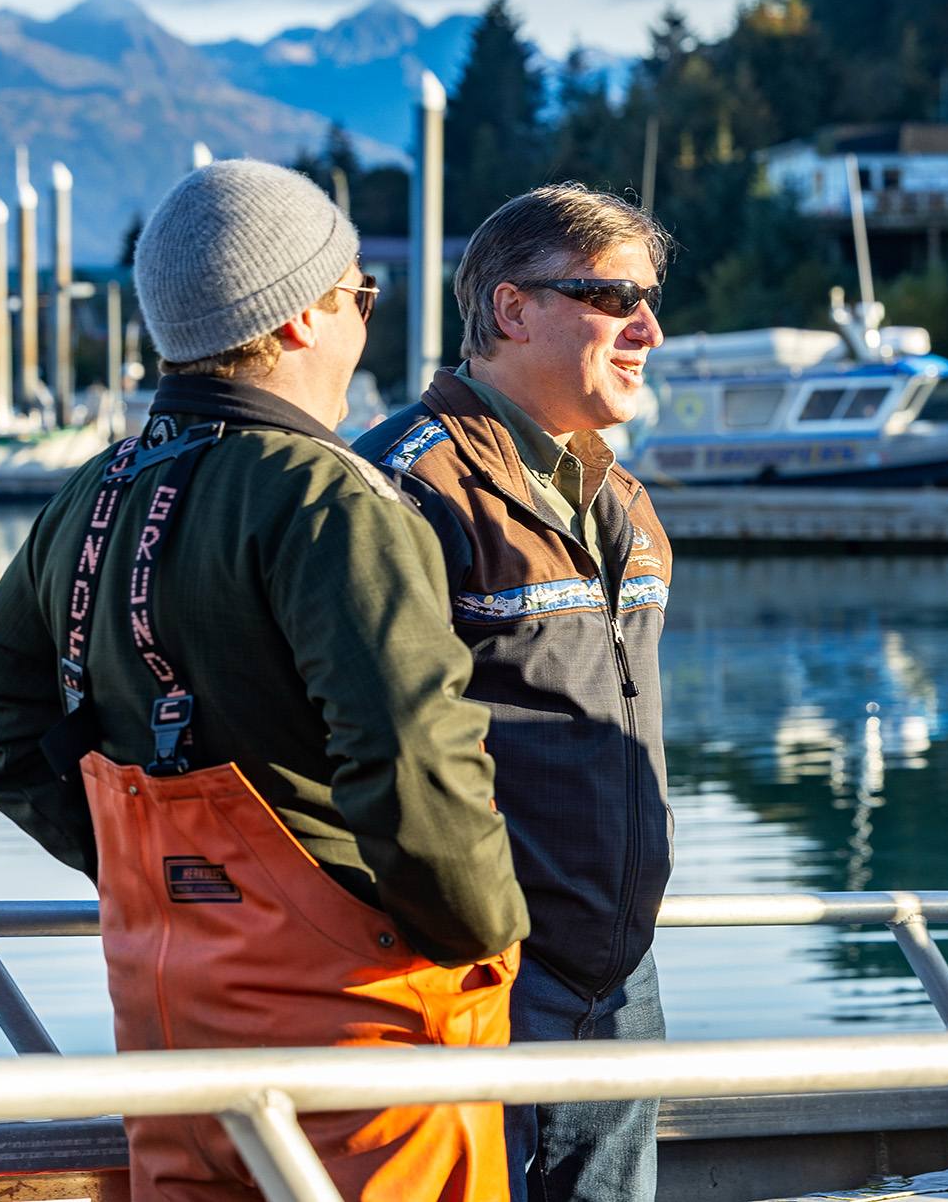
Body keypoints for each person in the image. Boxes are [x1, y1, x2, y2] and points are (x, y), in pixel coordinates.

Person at [0, 160, 528, 1199]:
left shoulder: (97, 489)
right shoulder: (329, 500)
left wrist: (157, 874)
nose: (366, 318)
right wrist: (482, 927)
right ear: (304, 317)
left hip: (171, 1026)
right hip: (358, 1039)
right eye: (363, 293)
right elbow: (409, 749)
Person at [354, 183, 673, 1202]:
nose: (649, 330)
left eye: (651, 299)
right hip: (480, 978)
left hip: (618, 977)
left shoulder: (621, 497)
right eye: (615, 298)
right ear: (511, 308)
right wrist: (484, 934)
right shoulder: (404, 490)